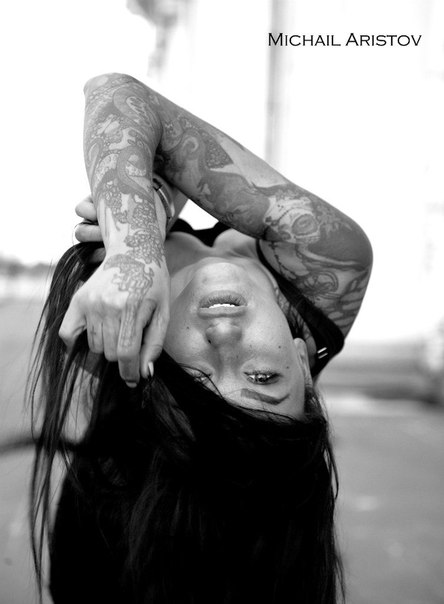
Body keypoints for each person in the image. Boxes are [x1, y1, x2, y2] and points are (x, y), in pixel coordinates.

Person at [30, 73, 372, 604]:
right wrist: (141, 224)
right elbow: (146, 130)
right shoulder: (330, 269)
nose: (226, 338)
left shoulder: (113, 325)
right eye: (262, 376)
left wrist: (138, 239)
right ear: (304, 365)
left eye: (195, 379)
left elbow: (116, 95)